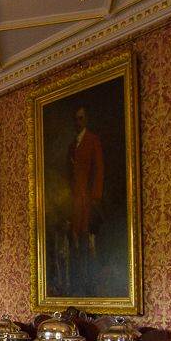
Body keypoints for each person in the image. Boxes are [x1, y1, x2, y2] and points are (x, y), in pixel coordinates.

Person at [67, 106, 105, 258]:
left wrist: (95, 196)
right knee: (76, 237)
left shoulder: (93, 139)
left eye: (80, 118)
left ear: (86, 120)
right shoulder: (72, 145)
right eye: (75, 119)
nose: (78, 122)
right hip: (75, 198)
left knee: (90, 236)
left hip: (88, 196)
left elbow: (99, 169)